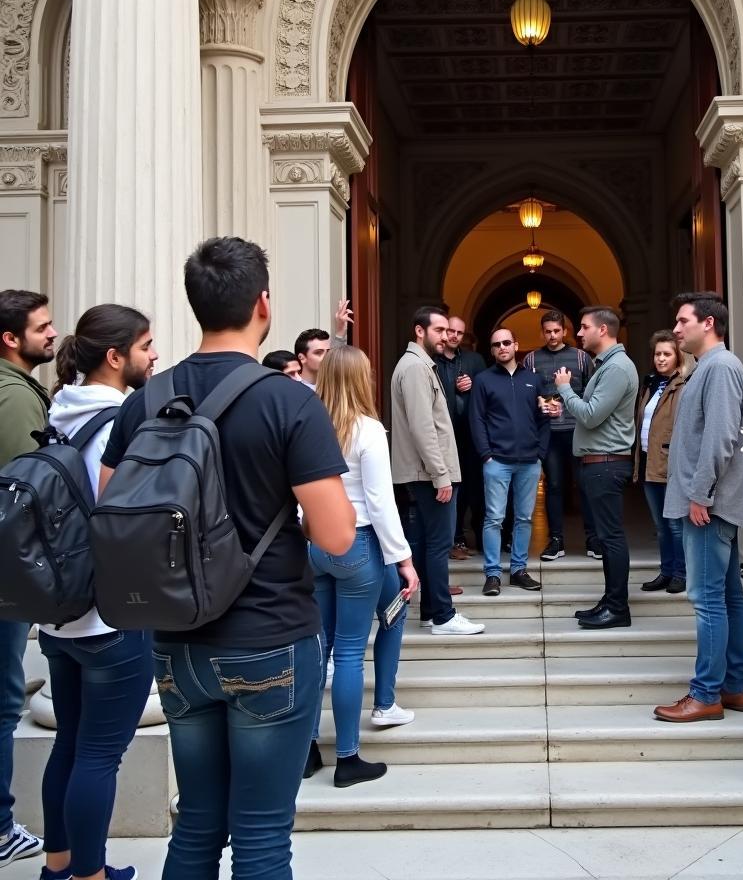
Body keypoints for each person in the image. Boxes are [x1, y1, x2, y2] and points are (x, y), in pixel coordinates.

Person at [99, 237, 357, 880]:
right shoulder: (288, 400)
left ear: (196, 305)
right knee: (264, 836)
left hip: (177, 638)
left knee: (196, 825)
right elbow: (337, 537)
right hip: (269, 633)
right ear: (263, 304)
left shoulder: (147, 399)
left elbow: (111, 506)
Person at [38, 305, 160, 880]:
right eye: (146, 345)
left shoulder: (59, 411)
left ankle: (58, 865)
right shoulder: (120, 422)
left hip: (60, 611)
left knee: (70, 744)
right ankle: (89, 874)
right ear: (116, 357)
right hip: (109, 615)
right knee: (98, 754)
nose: (154, 355)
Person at [306, 346, 420, 788]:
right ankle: (348, 758)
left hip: (315, 544)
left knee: (320, 649)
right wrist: (405, 559)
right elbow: (380, 502)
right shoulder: (368, 430)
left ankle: (308, 750)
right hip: (358, 544)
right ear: (360, 379)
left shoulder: (306, 426)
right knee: (350, 653)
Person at [655, 293, 743, 723]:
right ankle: (734, 687)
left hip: (709, 505)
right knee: (728, 596)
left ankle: (706, 693)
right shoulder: (707, 368)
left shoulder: (721, 367)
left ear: (708, 323)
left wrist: (700, 494)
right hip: (710, 501)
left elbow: (720, 437)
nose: (676, 331)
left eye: (682, 322)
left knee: (708, 599)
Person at [0, 289, 57, 869]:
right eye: (42, 328)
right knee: (2, 699)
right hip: (5, 576)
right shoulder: (17, 399)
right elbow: (24, 494)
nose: (52, 335)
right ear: (10, 338)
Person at [391, 306, 483, 636]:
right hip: (428, 475)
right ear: (420, 331)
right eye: (439, 330)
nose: (446, 336)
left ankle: (431, 611)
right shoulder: (416, 368)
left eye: (448, 331)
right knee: (438, 545)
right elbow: (423, 427)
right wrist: (441, 475)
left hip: (424, 473)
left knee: (428, 543)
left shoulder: (419, 365)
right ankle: (443, 615)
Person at [554, 307, 638, 629]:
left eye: (584, 327)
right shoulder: (607, 365)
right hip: (598, 462)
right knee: (606, 536)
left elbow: (590, 415)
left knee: (611, 538)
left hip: (605, 463)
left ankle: (618, 608)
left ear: (602, 330)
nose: (579, 333)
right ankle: (610, 600)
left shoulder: (616, 368)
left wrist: (565, 388)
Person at [469, 327, 549, 596]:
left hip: (529, 460)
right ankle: (492, 574)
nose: (502, 347)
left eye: (506, 342)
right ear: (491, 350)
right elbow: (476, 419)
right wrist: (486, 454)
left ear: (516, 345)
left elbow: (544, 418)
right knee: (494, 518)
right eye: (496, 344)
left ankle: (518, 570)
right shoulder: (483, 380)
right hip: (497, 461)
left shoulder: (534, 380)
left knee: (524, 518)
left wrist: (541, 454)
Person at [523, 311, 600, 561]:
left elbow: (592, 393)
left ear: (564, 331)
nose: (553, 336)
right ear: (542, 332)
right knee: (554, 485)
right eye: (548, 331)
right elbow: (527, 393)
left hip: (579, 432)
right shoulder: (531, 359)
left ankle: (593, 539)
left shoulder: (581, 358)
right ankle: (556, 540)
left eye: (557, 331)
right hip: (549, 433)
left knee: (585, 485)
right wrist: (539, 405)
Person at [634, 330, 688, 594]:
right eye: (658, 354)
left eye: (667, 354)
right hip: (648, 462)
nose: (661, 359)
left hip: (670, 465)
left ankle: (681, 573)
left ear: (678, 357)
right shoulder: (651, 384)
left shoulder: (683, 385)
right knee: (661, 527)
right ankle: (666, 571)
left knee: (676, 525)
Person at [434, 314, 486, 558]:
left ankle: (479, 536)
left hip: (471, 436)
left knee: (474, 488)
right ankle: (454, 539)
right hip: (442, 437)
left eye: (459, 333)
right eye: (450, 331)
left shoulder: (474, 360)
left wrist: (473, 384)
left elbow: (487, 392)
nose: (454, 336)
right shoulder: (431, 361)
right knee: (449, 489)